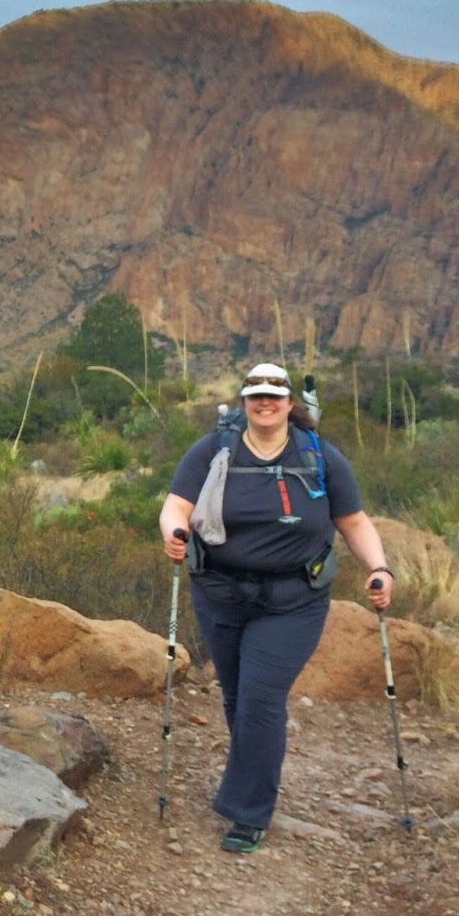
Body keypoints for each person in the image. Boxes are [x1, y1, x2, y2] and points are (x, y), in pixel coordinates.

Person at [158, 362, 392, 853]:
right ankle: (253, 777)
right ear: (244, 401)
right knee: (236, 697)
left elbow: (353, 522)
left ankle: (247, 813)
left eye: (274, 395)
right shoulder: (213, 450)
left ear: (290, 403)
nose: (265, 403)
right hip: (220, 593)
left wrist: (379, 567)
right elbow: (177, 505)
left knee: (260, 698)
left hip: (294, 601)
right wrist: (174, 534)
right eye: (256, 395)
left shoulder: (320, 457)